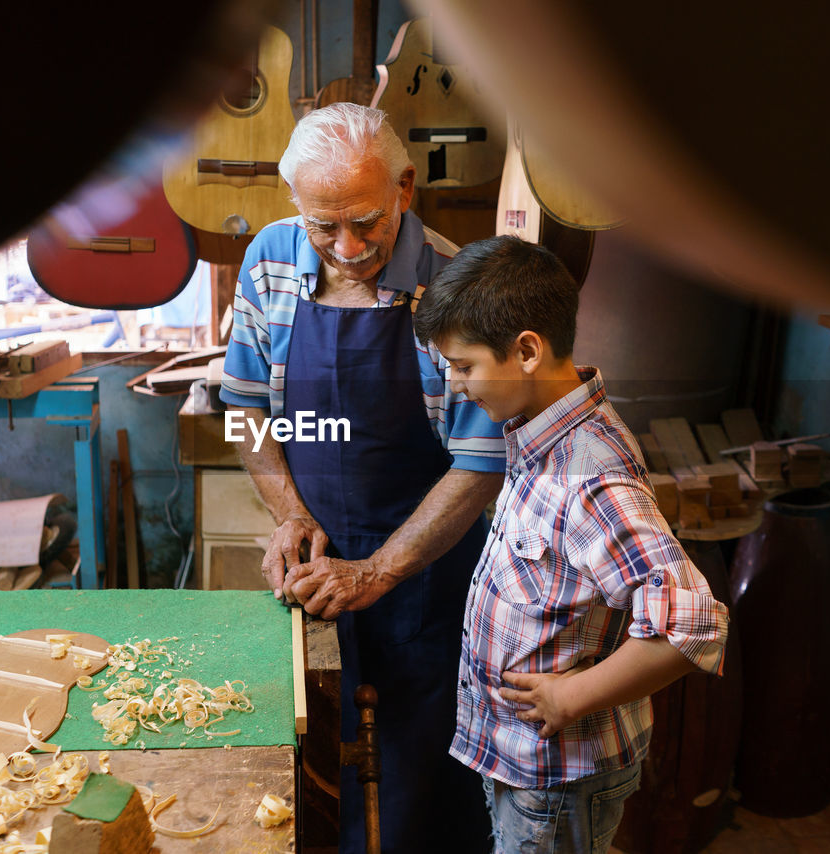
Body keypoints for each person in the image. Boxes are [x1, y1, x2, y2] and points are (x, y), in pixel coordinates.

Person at [217, 102, 503, 853]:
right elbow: (244, 409)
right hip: (312, 560)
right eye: (324, 225)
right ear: (296, 208)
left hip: (422, 566)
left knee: (423, 757)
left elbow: (480, 463)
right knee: (306, 744)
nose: (346, 247)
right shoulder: (270, 260)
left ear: (405, 187)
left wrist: (380, 569)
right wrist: (288, 514)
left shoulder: (453, 284)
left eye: (367, 223)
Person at [412, 235, 731, 853]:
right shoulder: (538, 437)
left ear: (526, 351)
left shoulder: (588, 474)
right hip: (521, 760)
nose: (457, 383)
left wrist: (573, 694)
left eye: (465, 365)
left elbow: (693, 624)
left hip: (559, 777)